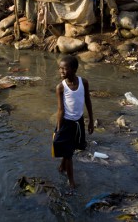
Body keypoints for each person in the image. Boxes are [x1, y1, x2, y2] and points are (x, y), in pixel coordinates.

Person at [53, 55, 94, 190]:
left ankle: (61, 167)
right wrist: (59, 129)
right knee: (69, 154)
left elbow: (88, 101)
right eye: (60, 69)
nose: (61, 72)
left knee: (72, 148)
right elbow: (60, 109)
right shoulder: (61, 87)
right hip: (66, 123)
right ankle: (71, 182)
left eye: (64, 69)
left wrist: (91, 121)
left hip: (79, 122)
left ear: (74, 69)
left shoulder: (84, 82)